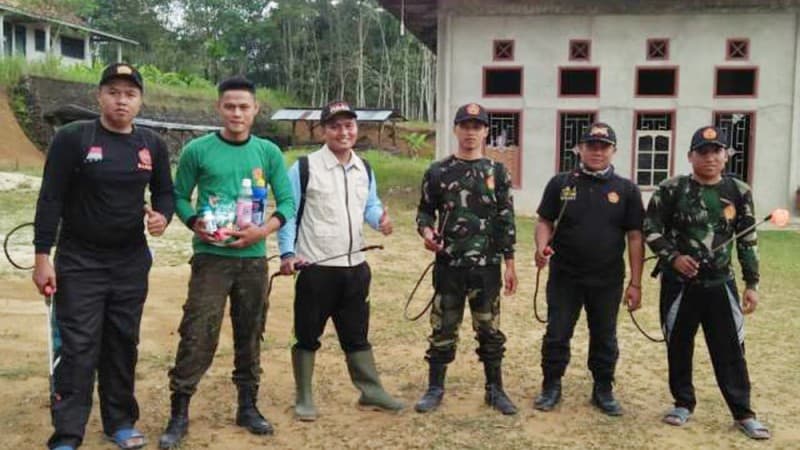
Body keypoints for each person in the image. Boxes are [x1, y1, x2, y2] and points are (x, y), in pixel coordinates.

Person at [32, 63, 174, 450]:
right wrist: (42, 257)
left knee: (122, 343)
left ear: (140, 100)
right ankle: (67, 433)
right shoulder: (73, 138)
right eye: (113, 92)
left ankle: (120, 422)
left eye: (129, 94)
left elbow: (165, 192)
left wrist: (162, 217)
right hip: (80, 261)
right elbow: (50, 198)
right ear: (99, 96)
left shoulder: (151, 144)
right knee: (78, 347)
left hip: (130, 262)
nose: (121, 101)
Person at [158, 77, 294, 448]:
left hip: (252, 260)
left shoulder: (268, 153)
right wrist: (194, 222)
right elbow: (179, 196)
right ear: (219, 108)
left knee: (250, 331)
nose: (237, 113)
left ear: (255, 109)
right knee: (198, 331)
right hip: (211, 258)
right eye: (230, 106)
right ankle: (179, 412)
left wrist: (262, 231)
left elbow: (287, 202)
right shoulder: (197, 151)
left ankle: (247, 406)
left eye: (244, 107)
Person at [277, 100, 404, 421]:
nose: (343, 132)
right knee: (307, 334)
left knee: (356, 333)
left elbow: (370, 206)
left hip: (356, 267)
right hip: (315, 267)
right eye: (335, 126)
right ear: (323, 131)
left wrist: (380, 220)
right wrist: (288, 253)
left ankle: (370, 391)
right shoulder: (304, 168)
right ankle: (304, 396)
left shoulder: (364, 168)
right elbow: (287, 213)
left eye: (349, 125)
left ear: (356, 128)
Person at [643, 126, 770, 440]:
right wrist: (673, 257)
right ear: (691, 156)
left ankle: (743, 413)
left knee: (730, 350)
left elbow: (748, 239)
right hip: (679, 285)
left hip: (720, 284)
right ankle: (682, 403)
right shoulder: (671, 189)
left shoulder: (739, 191)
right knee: (678, 345)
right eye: (703, 152)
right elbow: (650, 228)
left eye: (716, 151)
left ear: (726, 156)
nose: (710, 157)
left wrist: (752, 283)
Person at [414, 103, 518, 415]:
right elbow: (424, 212)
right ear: (456, 129)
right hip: (449, 265)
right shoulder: (438, 171)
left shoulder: (497, 172)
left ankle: (495, 389)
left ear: (486, 131)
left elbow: (506, 220)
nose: (471, 132)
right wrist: (427, 232)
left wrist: (510, 264)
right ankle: (435, 388)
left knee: (489, 330)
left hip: (486, 267)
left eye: (477, 126)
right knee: (443, 329)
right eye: (465, 126)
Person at [533, 122, 644, 416]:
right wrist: (541, 246)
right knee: (557, 332)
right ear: (579, 149)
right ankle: (551, 385)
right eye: (591, 146)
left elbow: (635, 236)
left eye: (603, 147)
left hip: (607, 278)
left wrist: (636, 283)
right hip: (565, 276)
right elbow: (544, 221)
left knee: (605, 335)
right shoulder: (561, 183)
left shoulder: (627, 190)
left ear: (613, 150)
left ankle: (603, 389)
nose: (597, 151)